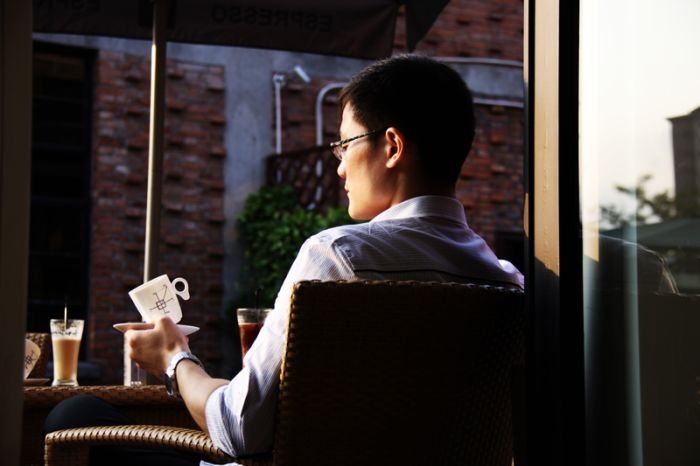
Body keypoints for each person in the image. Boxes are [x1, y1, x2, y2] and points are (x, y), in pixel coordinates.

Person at [45, 54, 524, 465]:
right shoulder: (505, 282)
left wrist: (174, 359)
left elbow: (239, 428)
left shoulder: (339, 258)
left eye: (345, 144)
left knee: (73, 415)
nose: (338, 165)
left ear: (393, 147)